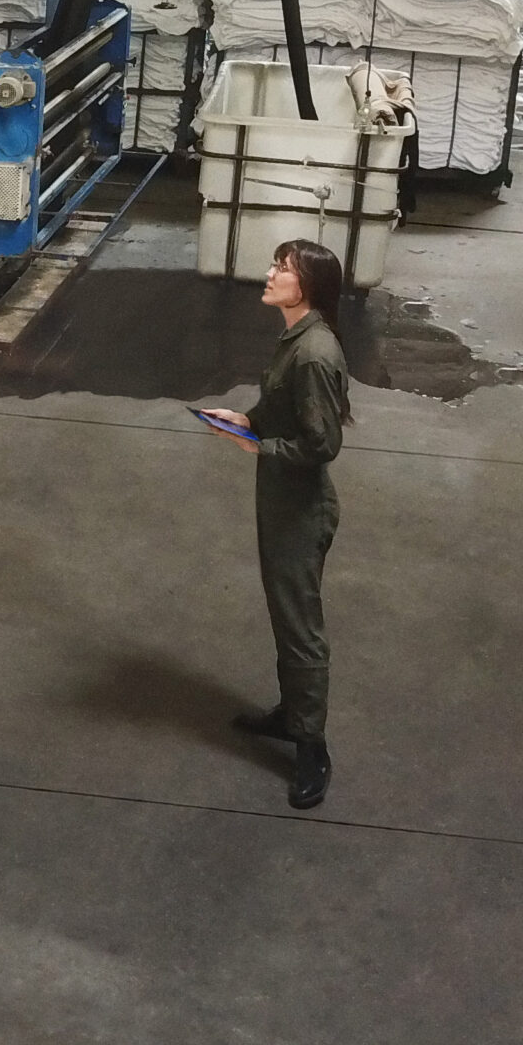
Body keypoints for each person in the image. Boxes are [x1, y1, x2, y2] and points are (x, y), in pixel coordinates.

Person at [199, 239, 350, 810]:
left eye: (280, 270)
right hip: (281, 502)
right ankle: (293, 711)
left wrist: (259, 448)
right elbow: (282, 408)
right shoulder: (296, 339)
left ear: (305, 287)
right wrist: (248, 420)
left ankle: (311, 744)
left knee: (301, 625)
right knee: (286, 617)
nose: (269, 275)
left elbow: (322, 445)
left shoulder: (314, 352)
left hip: (300, 508)